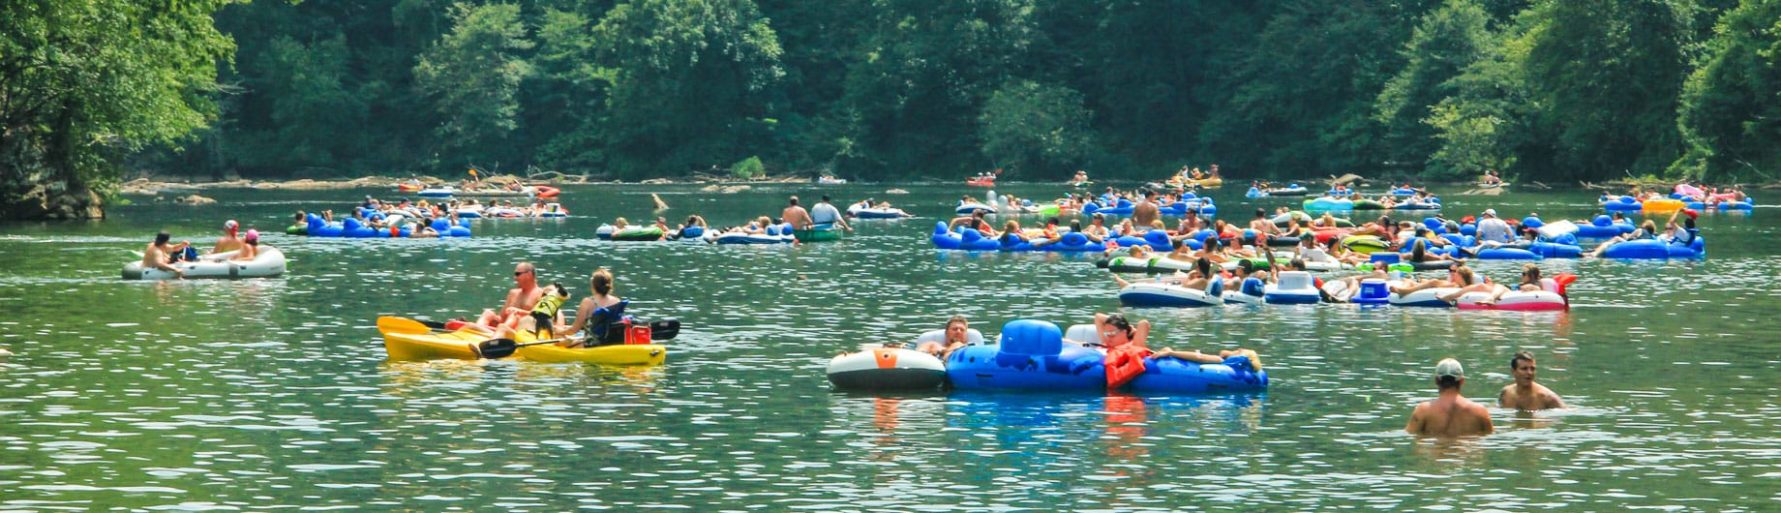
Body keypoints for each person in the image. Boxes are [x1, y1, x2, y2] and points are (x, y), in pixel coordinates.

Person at [1406, 358, 1495, 437]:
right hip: (1466, 454)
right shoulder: (1480, 411)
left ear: (1436, 380)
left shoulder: (1423, 410)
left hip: (1438, 453)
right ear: (1462, 381)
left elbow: (1412, 439)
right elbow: (1490, 438)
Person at [559, 268, 626, 346]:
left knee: (561, 340)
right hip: (612, 342)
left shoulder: (587, 302)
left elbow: (574, 330)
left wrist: (558, 331)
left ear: (593, 285)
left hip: (592, 344)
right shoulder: (617, 301)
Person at [477, 262, 544, 330]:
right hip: (505, 327)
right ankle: (477, 332)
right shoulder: (513, 293)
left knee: (514, 316)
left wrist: (519, 312)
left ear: (529, 274)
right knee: (488, 312)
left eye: (518, 274)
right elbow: (501, 318)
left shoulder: (541, 294)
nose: (515, 278)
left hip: (522, 330)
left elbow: (540, 317)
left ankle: (497, 332)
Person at [1498, 352, 1565, 411]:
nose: (1529, 372)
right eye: (1524, 369)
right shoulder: (1506, 393)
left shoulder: (1548, 398)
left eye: (1532, 369)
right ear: (1513, 371)